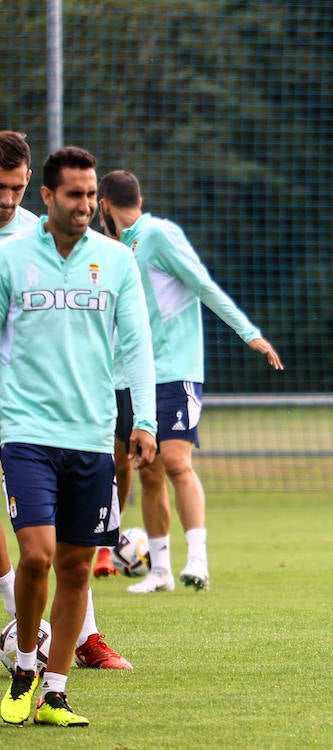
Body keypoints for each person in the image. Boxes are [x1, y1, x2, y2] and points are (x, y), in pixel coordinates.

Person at [0, 146, 159, 728]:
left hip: (92, 436)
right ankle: (23, 668)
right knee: (36, 556)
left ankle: (56, 694)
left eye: (92, 195)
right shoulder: (11, 260)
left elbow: (138, 344)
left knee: (73, 567)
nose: (86, 205)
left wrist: (144, 420)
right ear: (47, 197)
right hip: (25, 432)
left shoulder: (117, 262)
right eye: (74, 194)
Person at [96, 170, 283, 595]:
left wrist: (248, 332)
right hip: (131, 376)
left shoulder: (159, 234)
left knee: (177, 463)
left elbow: (202, 283)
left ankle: (197, 560)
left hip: (175, 371)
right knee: (149, 472)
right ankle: (159, 572)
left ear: (105, 204)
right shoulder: (114, 249)